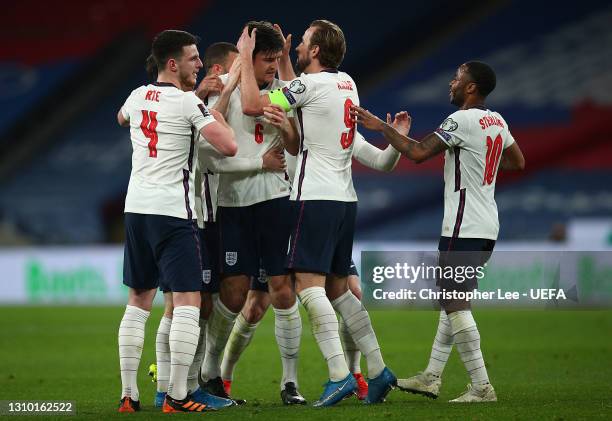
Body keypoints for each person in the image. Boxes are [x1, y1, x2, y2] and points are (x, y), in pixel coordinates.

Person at [238, 19, 397, 406]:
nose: (297, 46)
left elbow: (252, 104)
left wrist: (245, 57)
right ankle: (377, 371)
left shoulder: (309, 85)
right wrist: (293, 71)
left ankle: (340, 374)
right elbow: (306, 101)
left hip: (315, 196)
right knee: (340, 289)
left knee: (309, 286)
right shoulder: (347, 83)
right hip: (345, 199)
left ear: (316, 51)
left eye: (304, 43)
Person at [351, 61, 525, 403]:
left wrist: (378, 128)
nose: (452, 83)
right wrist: (481, 163)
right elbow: (517, 161)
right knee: (452, 300)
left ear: (471, 87)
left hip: (464, 225)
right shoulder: (497, 120)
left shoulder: (460, 119)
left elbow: (417, 153)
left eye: (458, 78)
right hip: (487, 223)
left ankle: (481, 387)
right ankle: (431, 377)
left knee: (454, 301)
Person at [116, 29, 236, 413]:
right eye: (193, 58)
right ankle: (178, 397)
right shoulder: (187, 104)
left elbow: (121, 118)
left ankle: (129, 396)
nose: (200, 64)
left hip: (135, 210)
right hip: (172, 213)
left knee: (138, 299)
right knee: (187, 300)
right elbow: (229, 146)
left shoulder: (136, 96)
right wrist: (212, 111)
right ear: (173, 64)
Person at [198, 21, 307, 406]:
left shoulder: (280, 91)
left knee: (281, 289)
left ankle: (290, 382)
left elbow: (294, 146)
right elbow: (210, 142)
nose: (274, 67)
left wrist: (287, 128)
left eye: (278, 60)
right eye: (267, 60)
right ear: (251, 56)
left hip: (275, 199)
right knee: (234, 291)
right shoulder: (225, 85)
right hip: (233, 204)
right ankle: (210, 374)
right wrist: (238, 70)